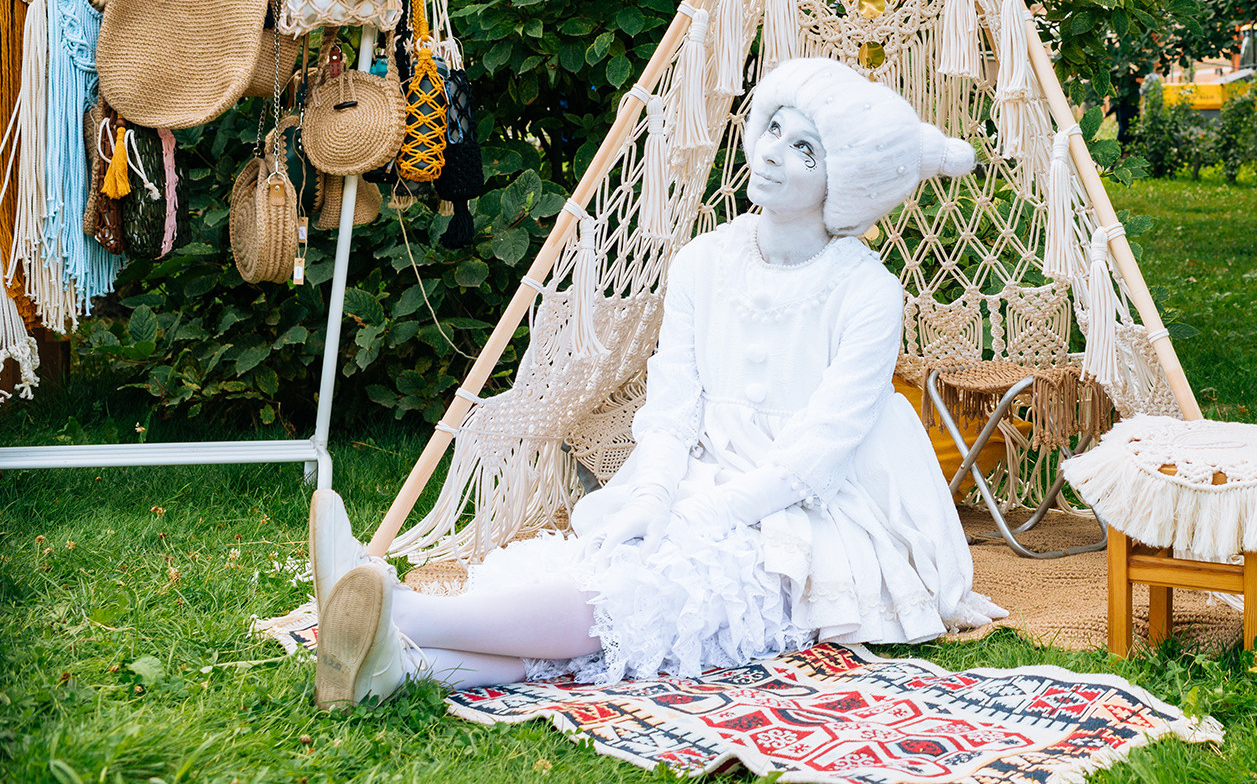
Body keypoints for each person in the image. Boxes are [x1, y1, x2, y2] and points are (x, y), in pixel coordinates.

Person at [310, 58, 1001, 706]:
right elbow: (673, 405)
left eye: (806, 151)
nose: (772, 153)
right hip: (696, 470)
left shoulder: (867, 292)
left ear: (844, 186)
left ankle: (400, 610)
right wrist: (655, 493)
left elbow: (822, 448)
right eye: (775, 129)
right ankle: (402, 668)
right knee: (599, 562)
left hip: (809, 508)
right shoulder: (705, 261)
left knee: (649, 597)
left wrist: (712, 514)